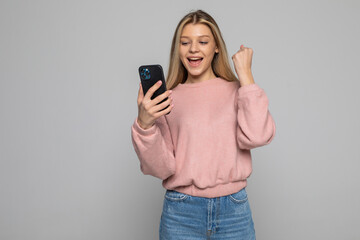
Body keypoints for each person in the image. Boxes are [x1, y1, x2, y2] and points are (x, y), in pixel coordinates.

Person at [131, 9, 276, 240]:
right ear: (178, 50)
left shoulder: (238, 91)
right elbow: (161, 168)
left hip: (234, 211)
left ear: (216, 47)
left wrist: (246, 76)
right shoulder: (168, 99)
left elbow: (258, 136)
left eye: (203, 41)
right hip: (181, 211)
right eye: (185, 42)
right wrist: (145, 125)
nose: (194, 49)